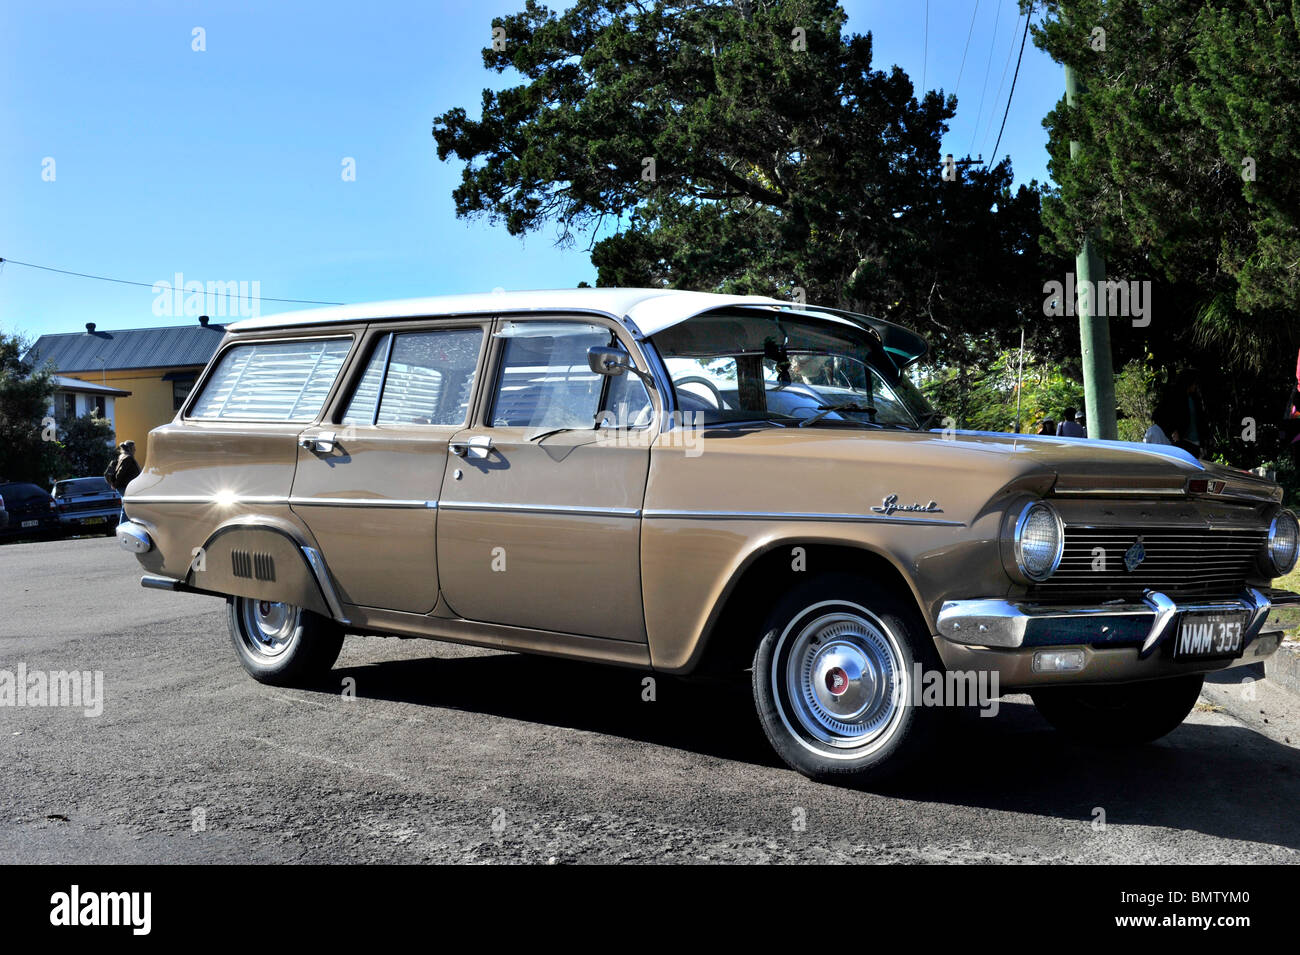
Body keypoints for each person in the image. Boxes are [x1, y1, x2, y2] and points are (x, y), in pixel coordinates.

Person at [1154, 376, 1209, 459]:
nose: (1195, 386)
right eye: (1194, 383)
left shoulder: (1195, 398)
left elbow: (1200, 420)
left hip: (1196, 443)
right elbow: (1157, 416)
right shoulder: (1174, 397)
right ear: (1188, 383)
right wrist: (1172, 430)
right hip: (1183, 442)